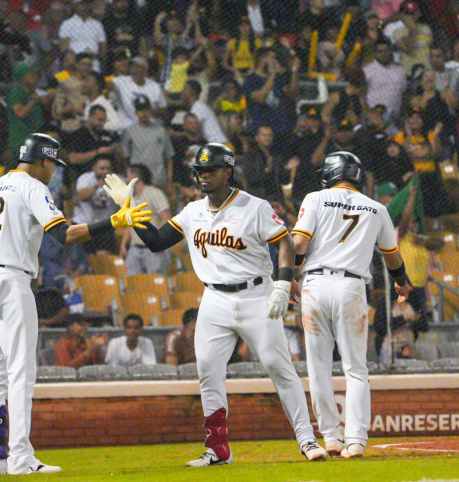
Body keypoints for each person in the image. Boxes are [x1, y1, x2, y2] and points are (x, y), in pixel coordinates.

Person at [125, 142, 327, 465]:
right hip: (214, 299)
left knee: (279, 368)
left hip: (256, 296)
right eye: (199, 171)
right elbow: (157, 241)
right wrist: (132, 212)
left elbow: (284, 242)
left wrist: (283, 281)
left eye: (211, 170)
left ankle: (307, 439)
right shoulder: (192, 211)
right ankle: (218, 449)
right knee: (207, 370)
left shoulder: (254, 206)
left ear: (228, 172)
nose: (204, 176)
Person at [0, 132, 151, 476]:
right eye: (53, 164)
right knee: (21, 371)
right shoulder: (34, 186)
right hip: (10, 280)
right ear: (43, 160)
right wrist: (113, 221)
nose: (54, 172)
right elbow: (62, 234)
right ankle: (20, 458)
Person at [291, 151, 411, 458]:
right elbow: (391, 255)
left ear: (331, 172)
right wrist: (401, 280)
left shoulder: (315, 198)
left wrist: (285, 271)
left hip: (315, 285)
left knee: (318, 367)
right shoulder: (376, 208)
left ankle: (331, 437)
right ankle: (356, 440)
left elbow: (299, 243)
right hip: (352, 286)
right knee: (356, 368)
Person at [119, 165, 171, 275]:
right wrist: (123, 245)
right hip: (135, 248)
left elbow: (166, 217)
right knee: (134, 283)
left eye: (128, 177)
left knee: (156, 283)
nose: (126, 180)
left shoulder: (154, 193)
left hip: (152, 248)